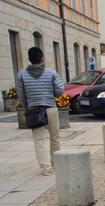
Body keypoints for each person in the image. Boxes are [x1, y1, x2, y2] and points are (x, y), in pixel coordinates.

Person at [16, 47, 64, 176]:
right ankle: (56, 163)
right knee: (55, 138)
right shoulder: (52, 73)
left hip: (34, 110)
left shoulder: (21, 74)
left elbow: (21, 95)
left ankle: (46, 168)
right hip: (50, 108)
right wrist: (50, 94)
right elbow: (60, 91)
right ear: (42, 59)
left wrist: (28, 108)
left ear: (29, 59)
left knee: (39, 140)